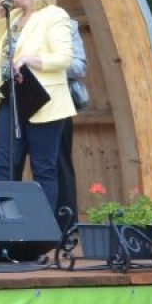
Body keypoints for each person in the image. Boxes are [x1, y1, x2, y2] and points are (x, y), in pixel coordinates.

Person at [0, 0, 75, 214]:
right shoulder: (13, 16)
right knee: (3, 165)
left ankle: (42, 227)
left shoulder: (54, 15)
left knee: (43, 168)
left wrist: (29, 60)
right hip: (11, 97)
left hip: (42, 100)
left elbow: (64, 58)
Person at [54, 18, 89, 226]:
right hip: (20, 101)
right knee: (11, 163)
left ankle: (66, 226)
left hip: (58, 102)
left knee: (59, 162)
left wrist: (46, 62)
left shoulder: (67, 24)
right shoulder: (12, 23)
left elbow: (80, 67)